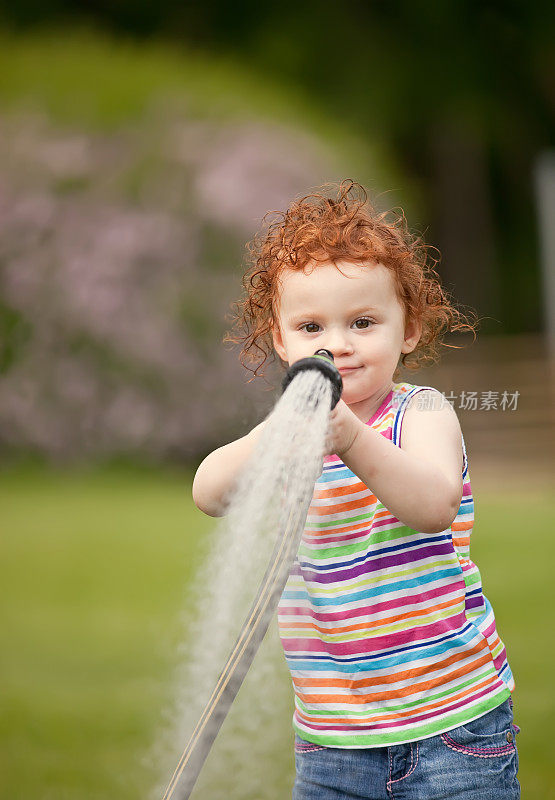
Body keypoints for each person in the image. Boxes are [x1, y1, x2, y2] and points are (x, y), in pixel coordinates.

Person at [192, 181, 520, 799]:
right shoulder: (288, 433)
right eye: (311, 326)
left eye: (363, 322)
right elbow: (210, 490)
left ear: (410, 328)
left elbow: (432, 505)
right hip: (332, 741)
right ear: (282, 340)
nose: (337, 345)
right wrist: (288, 433)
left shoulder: (420, 415)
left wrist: (350, 438)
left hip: (452, 727)